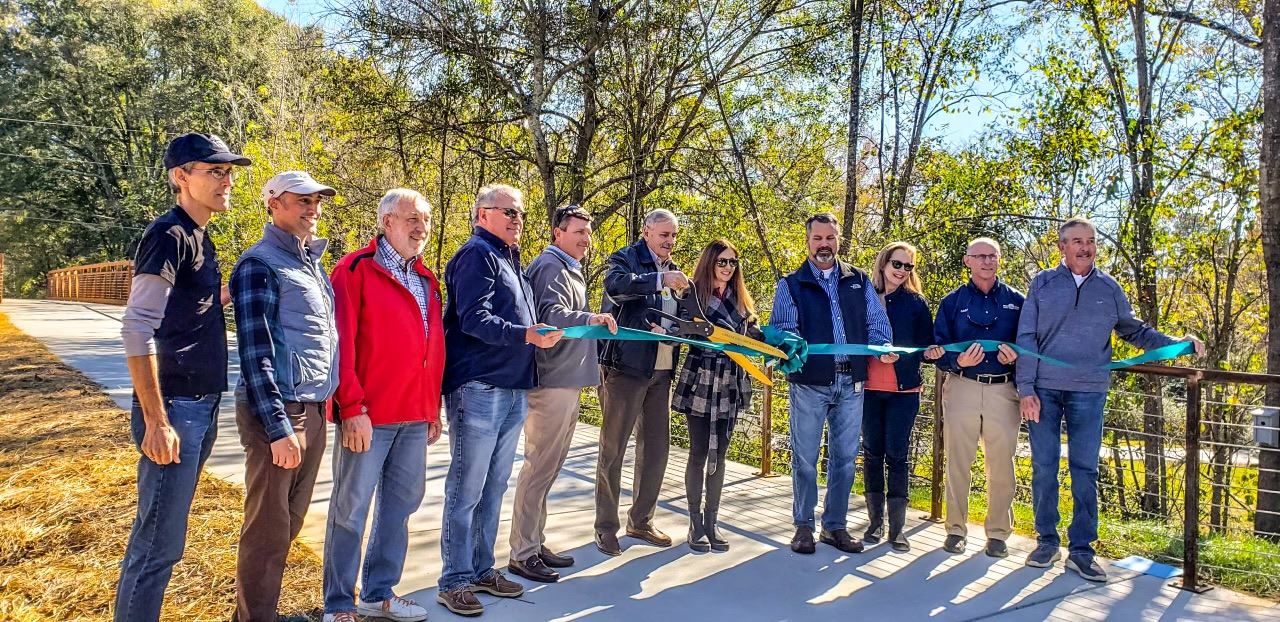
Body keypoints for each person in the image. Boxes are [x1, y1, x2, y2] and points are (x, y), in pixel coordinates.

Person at [1016, 217, 1203, 582]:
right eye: (1076, 241)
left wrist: (1178, 344)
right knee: (1044, 466)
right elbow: (1026, 337)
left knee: (1085, 470)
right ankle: (1046, 541)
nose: (1085, 247)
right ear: (1062, 247)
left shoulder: (1109, 287)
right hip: (1044, 390)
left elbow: (1134, 330)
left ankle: (1082, 550)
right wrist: (1026, 390)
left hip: (1089, 390)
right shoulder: (1042, 283)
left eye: (1090, 240)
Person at [114, 133, 250, 622]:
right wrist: (156, 419)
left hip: (201, 406)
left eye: (229, 171)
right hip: (176, 410)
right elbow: (137, 326)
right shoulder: (169, 234)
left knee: (164, 541)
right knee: (157, 546)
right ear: (180, 177)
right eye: (213, 170)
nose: (226, 180)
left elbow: (182, 311)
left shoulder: (200, 235)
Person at [436, 184, 562, 617]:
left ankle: (482, 569)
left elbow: (516, 318)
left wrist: (536, 330)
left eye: (521, 213)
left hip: (512, 387)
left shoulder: (510, 259)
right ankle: (454, 580)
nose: (516, 219)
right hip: (480, 386)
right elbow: (473, 319)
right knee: (466, 488)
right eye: (508, 211)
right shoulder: (476, 254)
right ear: (482, 214)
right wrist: (524, 334)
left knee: (493, 487)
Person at [322, 189, 445, 622]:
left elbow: (432, 350)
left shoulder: (428, 280)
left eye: (426, 220)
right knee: (350, 509)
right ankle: (338, 604)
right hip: (368, 417)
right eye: (411, 218)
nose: (420, 227)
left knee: (401, 507)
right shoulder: (355, 270)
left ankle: (379, 593)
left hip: (414, 416)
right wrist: (350, 407)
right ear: (386, 221)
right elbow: (341, 345)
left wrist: (433, 407)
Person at [230, 170, 339, 621]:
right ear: (273, 203)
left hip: (311, 409)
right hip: (279, 412)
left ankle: (255, 614)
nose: (312, 209)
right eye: (301, 201)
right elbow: (256, 355)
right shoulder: (259, 265)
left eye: (316, 201)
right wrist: (277, 427)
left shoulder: (311, 264)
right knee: (267, 529)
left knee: (289, 522)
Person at [771, 212, 895, 555]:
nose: (824, 245)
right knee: (806, 459)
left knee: (844, 458)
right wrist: (791, 344)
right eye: (817, 239)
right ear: (808, 242)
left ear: (838, 241)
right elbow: (783, 330)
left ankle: (835, 527)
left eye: (830, 238)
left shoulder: (857, 280)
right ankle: (803, 527)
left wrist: (882, 348)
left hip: (852, 381)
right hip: (810, 383)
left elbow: (876, 322)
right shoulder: (791, 284)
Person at [508, 205, 618, 583]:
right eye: (578, 232)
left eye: (588, 233)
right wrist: (591, 318)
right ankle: (522, 552)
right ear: (558, 233)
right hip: (551, 381)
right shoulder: (551, 266)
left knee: (549, 468)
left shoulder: (569, 266)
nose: (586, 239)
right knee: (538, 468)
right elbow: (550, 315)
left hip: (568, 380)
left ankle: (535, 542)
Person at [594, 208, 689, 556]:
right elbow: (616, 288)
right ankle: (605, 527)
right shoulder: (625, 258)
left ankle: (641, 520)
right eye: (664, 235)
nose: (669, 242)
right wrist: (660, 281)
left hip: (662, 370)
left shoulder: (675, 271)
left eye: (674, 236)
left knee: (656, 449)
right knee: (613, 449)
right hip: (625, 367)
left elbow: (682, 317)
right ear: (647, 232)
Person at [925, 237, 1024, 559]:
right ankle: (955, 529)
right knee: (958, 461)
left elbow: (1030, 346)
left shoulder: (1018, 301)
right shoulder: (952, 302)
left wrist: (1016, 359)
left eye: (992, 256)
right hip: (962, 386)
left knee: (1002, 465)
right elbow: (936, 350)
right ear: (967, 261)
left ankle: (997, 534)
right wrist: (956, 362)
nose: (986, 262)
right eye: (979, 256)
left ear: (1000, 260)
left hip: (1003, 389)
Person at [672, 239, 762, 552]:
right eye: (722, 261)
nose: (727, 267)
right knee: (698, 451)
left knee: (720, 453)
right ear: (710, 262)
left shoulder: (742, 302)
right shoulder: (692, 295)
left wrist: (779, 343)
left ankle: (713, 520)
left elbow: (755, 337)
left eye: (732, 262)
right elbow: (676, 331)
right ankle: (694, 522)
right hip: (701, 377)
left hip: (731, 380)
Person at [861, 241, 933, 552]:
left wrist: (930, 353)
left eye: (908, 266)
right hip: (867, 390)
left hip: (904, 391)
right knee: (873, 453)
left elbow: (928, 348)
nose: (902, 271)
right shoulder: (863, 297)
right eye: (897, 264)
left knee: (898, 455)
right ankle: (875, 522)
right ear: (883, 263)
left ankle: (898, 528)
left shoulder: (916, 303)